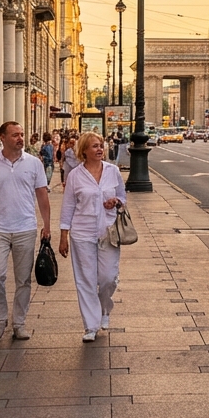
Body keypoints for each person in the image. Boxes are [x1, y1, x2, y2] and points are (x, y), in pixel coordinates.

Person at [0, 121, 52, 341]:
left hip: (25, 227)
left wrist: (47, 224)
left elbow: (42, 195)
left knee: (23, 280)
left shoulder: (34, 164)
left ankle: (19, 323)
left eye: (22, 134)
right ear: (3, 138)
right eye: (15, 135)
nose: (20, 138)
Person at [58, 132, 127, 343]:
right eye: (95, 146)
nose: (100, 149)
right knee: (86, 280)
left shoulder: (113, 171)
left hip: (108, 232)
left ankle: (105, 309)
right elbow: (68, 206)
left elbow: (123, 198)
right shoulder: (75, 176)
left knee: (107, 277)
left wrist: (116, 201)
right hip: (82, 232)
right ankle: (90, 325)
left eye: (101, 146)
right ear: (84, 151)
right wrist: (63, 235)